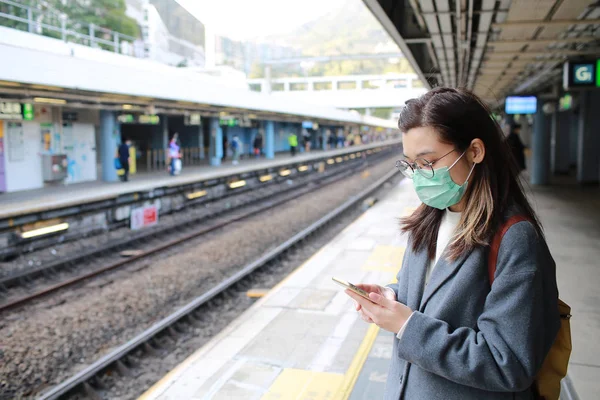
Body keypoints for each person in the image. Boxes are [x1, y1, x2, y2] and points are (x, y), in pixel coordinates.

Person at [345, 88, 560, 400]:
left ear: (474, 151)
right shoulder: (430, 218)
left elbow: (509, 363)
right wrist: (390, 297)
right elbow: (429, 293)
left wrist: (406, 325)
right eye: (411, 165)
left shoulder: (515, 238)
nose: (419, 176)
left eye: (428, 162)